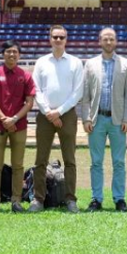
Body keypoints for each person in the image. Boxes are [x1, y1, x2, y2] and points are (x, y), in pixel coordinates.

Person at [30, 25, 83, 213]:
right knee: (40, 160)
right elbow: (36, 89)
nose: (58, 40)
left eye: (62, 37)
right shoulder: (41, 62)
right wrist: (48, 112)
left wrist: (59, 112)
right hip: (45, 116)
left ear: (66, 39)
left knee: (69, 159)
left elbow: (78, 92)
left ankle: (70, 199)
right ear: (50, 39)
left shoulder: (76, 63)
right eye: (55, 37)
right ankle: (38, 199)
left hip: (67, 115)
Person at [81, 27, 127, 212]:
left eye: (112, 39)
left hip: (118, 121)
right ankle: (96, 199)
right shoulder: (90, 64)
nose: (109, 42)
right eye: (105, 39)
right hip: (97, 119)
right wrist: (86, 118)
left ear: (116, 41)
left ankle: (119, 199)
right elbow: (85, 94)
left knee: (119, 161)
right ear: (100, 41)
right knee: (96, 161)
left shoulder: (126, 64)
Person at [0, 40, 35, 213]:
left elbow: (29, 102)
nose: (11, 55)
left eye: (14, 52)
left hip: (19, 126)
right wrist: (4, 118)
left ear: (19, 55)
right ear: (3, 54)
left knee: (18, 165)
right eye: (8, 51)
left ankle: (16, 201)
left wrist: (13, 119)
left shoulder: (26, 75)